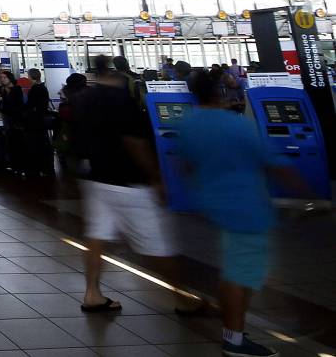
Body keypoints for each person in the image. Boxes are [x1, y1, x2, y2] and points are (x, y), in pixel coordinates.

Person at [179, 71, 304, 357]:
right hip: (246, 207)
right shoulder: (237, 126)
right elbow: (273, 161)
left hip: (215, 205)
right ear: (220, 93)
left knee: (234, 270)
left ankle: (233, 330)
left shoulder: (187, 125)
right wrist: (301, 190)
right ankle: (234, 340)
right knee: (240, 274)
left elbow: (186, 166)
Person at [71, 58, 204, 315]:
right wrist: (155, 177)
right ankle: (183, 297)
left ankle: (92, 294)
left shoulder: (86, 99)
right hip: (128, 182)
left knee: (96, 237)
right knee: (158, 244)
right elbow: (135, 142)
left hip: (97, 179)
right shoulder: (123, 100)